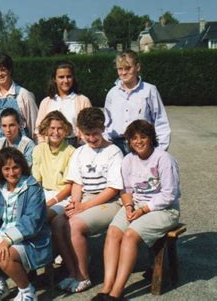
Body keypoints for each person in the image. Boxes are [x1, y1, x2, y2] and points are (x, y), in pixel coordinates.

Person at [92, 120, 180, 301]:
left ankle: (117, 291)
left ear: (151, 138)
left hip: (164, 209)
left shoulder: (163, 159)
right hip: (136, 205)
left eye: (143, 137)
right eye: (134, 138)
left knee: (130, 235)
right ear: (129, 142)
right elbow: (126, 190)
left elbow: (170, 195)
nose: (139, 142)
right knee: (113, 232)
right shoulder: (128, 160)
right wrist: (130, 206)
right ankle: (107, 286)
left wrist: (143, 210)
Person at [51, 107, 124, 293]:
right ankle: (72, 271)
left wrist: (83, 207)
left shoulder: (114, 152)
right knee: (58, 222)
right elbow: (77, 183)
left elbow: (113, 189)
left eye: (95, 134)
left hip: (109, 202)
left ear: (102, 129)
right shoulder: (79, 152)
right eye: (86, 134)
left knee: (75, 224)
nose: (91, 138)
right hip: (85, 199)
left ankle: (84, 276)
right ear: (80, 132)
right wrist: (75, 203)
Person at [0, 147, 52, 301]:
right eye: (6, 169)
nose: (11, 173)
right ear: (0, 170)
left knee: (4, 255)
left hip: (31, 238)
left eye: (15, 167)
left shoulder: (33, 188)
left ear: (22, 167)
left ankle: (28, 291)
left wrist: (7, 241)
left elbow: (31, 222)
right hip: (4, 234)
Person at [104, 50, 171, 155]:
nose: (124, 72)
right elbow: (106, 124)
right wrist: (107, 148)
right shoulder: (112, 93)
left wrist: (160, 151)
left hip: (142, 145)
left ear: (137, 67)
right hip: (117, 147)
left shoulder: (149, 90)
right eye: (120, 69)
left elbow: (161, 122)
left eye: (128, 68)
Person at [0, 53, 38, 141]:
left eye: (3, 70)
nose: (0, 74)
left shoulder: (24, 95)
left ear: (10, 70)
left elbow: (35, 127)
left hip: (19, 149)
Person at [35, 60, 92, 146]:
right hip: (49, 146)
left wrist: (80, 147)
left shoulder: (83, 101)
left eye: (69, 76)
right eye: (61, 77)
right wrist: (43, 146)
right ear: (54, 79)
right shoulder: (46, 102)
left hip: (74, 145)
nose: (66, 81)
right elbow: (38, 129)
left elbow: (89, 128)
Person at [32, 111, 76, 221]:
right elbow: (37, 181)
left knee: (43, 217)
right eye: (52, 128)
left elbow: (69, 187)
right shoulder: (38, 149)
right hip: (43, 193)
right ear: (46, 129)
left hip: (63, 197)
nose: (55, 132)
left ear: (65, 130)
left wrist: (50, 203)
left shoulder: (72, 152)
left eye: (60, 128)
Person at [0, 108, 35, 190]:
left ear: (19, 125)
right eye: (4, 126)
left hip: (22, 185)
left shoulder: (28, 144)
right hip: (1, 185)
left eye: (11, 125)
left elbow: (25, 170)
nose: (8, 130)